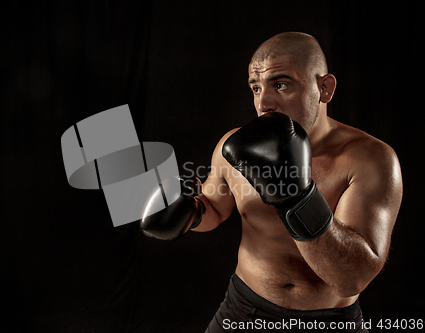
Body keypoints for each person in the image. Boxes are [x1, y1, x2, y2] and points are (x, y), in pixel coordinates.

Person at [141, 32, 403, 332]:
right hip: (243, 311)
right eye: (255, 87)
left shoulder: (371, 159)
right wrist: (187, 212)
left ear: (324, 88)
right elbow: (213, 207)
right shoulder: (234, 146)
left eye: (280, 84)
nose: (263, 102)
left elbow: (350, 280)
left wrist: (297, 198)